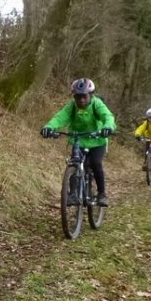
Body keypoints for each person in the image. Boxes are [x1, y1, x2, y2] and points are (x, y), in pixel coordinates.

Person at [40, 78, 116, 206]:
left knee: (95, 163)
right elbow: (60, 117)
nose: (81, 100)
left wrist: (108, 127)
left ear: (90, 95)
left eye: (84, 97)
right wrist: (49, 127)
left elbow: (107, 116)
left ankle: (102, 194)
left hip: (97, 141)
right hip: (79, 141)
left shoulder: (97, 104)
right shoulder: (72, 106)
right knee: (75, 163)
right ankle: (73, 194)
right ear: (74, 96)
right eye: (78, 97)